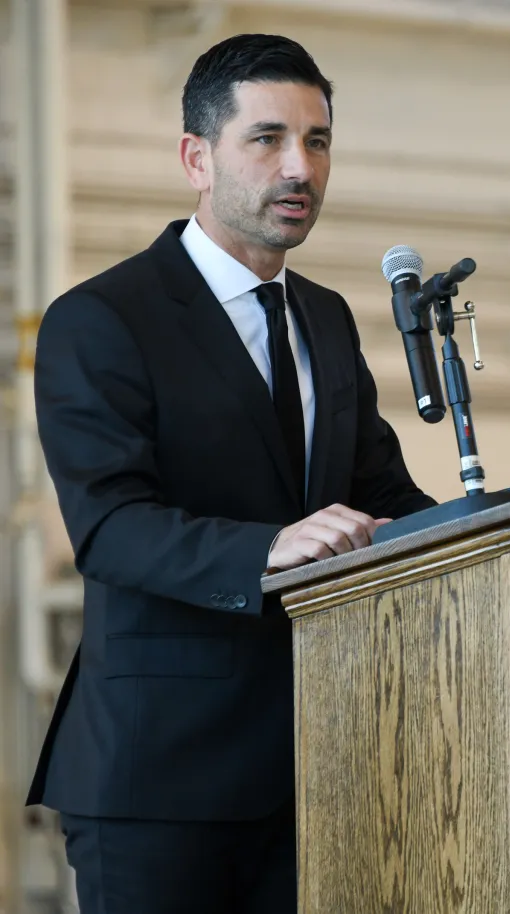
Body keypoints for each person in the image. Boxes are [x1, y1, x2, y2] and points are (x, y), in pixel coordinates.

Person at [26, 33, 436, 913]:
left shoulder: (324, 319)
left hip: (321, 773)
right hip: (159, 782)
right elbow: (110, 527)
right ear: (196, 158)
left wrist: (491, 530)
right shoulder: (102, 318)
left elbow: (385, 497)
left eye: (318, 141)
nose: (300, 167)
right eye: (267, 139)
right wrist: (270, 548)